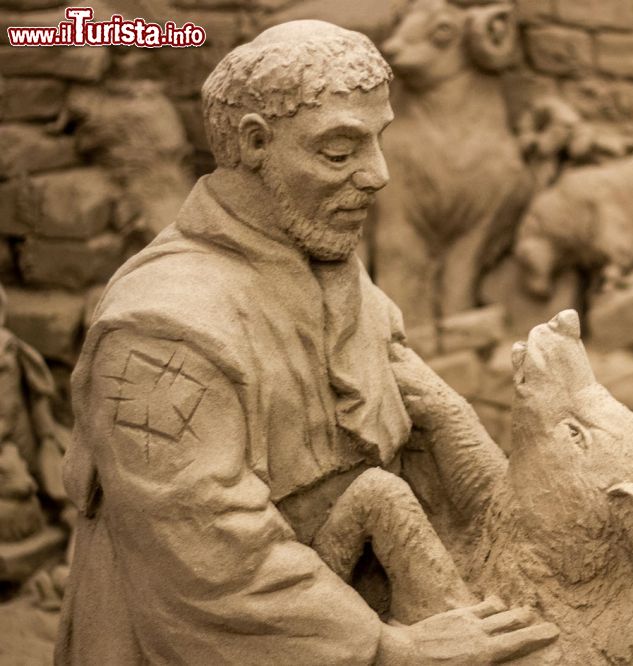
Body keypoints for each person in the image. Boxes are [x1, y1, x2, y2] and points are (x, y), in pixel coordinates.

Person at [56, 20, 557, 665]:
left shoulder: (324, 261)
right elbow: (209, 554)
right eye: (339, 153)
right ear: (256, 144)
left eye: (379, 142)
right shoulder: (163, 330)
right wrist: (389, 650)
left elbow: (417, 418)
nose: (377, 176)